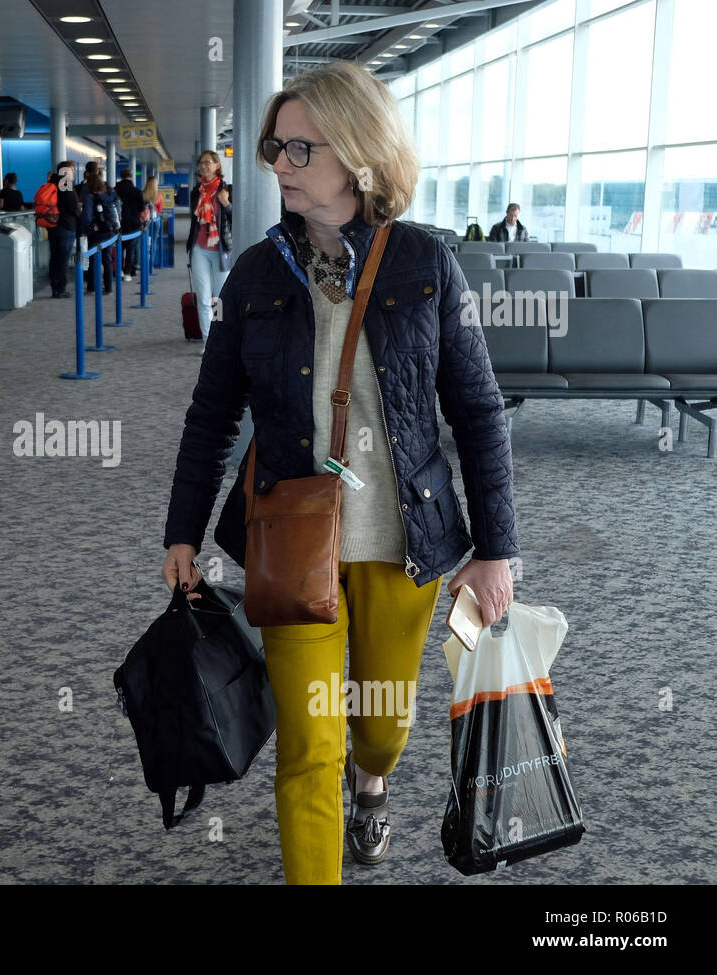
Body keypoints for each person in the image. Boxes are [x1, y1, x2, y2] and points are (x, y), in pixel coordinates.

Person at [160, 60, 518, 885]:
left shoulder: (426, 264)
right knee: (309, 744)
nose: (278, 164)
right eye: (273, 147)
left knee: (379, 725)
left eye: (298, 149)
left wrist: (497, 548)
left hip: (406, 544)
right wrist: (182, 530)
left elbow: (478, 410)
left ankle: (375, 778)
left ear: (356, 156)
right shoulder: (254, 275)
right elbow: (211, 416)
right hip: (291, 547)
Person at [186, 150, 233, 344]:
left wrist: (226, 203)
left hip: (221, 249)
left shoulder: (227, 189)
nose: (204, 166)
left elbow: (236, 217)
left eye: (208, 162)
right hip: (199, 248)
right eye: (201, 163)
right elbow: (194, 221)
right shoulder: (196, 192)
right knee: (203, 297)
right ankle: (208, 342)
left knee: (219, 298)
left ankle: (220, 338)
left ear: (217, 165)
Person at [47, 162, 81, 299]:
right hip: (65, 226)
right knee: (62, 259)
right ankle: (60, 288)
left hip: (53, 225)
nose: (73, 172)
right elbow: (72, 206)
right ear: (66, 171)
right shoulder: (65, 182)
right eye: (72, 170)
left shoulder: (53, 182)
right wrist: (79, 210)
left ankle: (55, 287)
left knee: (55, 258)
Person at [84, 171, 119, 295]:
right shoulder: (110, 192)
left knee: (93, 258)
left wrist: (86, 228)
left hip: (96, 231)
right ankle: (108, 288)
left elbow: (88, 216)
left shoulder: (90, 195)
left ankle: (91, 287)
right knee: (107, 259)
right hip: (110, 229)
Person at [114, 168, 145, 280]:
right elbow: (141, 207)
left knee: (119, 248)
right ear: (131, 177)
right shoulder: (136, 191)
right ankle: (127, 273)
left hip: (118, 222)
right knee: (130, 249)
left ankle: (119, 271)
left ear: (121, 176)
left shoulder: (114, 190)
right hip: (133, 223)